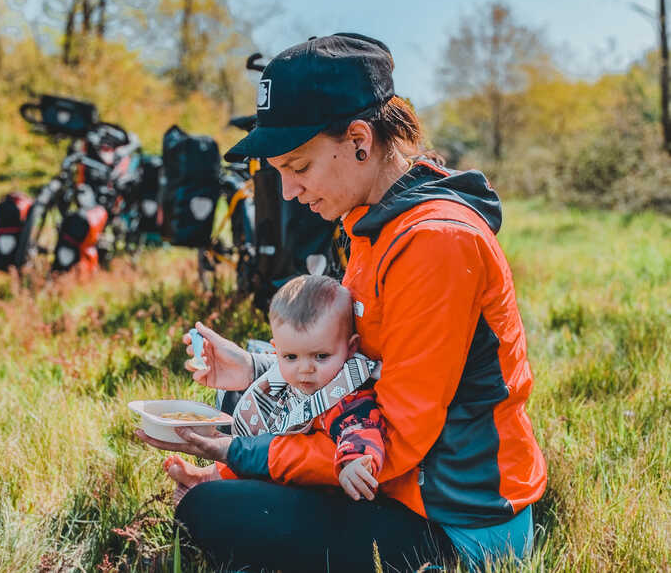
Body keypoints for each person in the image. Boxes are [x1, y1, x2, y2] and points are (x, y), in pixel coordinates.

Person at [136, 32, 547, 572]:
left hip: (453, 524)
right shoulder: (371, 224)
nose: (286, 192)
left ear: (359, 139)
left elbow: (392, 440)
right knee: (241, 402)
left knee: (211, 509)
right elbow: (363, 363)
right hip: (390, 479)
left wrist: (236, 458)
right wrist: (255, 367)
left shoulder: (437, 244)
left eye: (298, 166)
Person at [163, 275, 385, 505]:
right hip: (280, 461)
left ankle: (212, 482)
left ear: (350, 348)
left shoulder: (345, 393)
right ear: (276, 350)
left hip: (315, 490)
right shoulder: (292, 377)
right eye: (291, 357)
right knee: (253, 428)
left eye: (321, 356)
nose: (305, 369)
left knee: (237, 491)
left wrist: (355, 460)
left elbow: (361, 426)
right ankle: (209, 475)